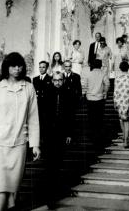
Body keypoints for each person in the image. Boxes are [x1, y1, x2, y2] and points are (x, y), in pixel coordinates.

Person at [0, 52, 40, 211]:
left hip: (18, 146)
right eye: (13, 66)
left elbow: (33, 119)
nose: (17, 69)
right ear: (7, 68)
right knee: (0, 195)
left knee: (12, 195)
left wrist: (35, 144)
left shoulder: (29, 88)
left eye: (20, 65)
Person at [45, 72, 73, 208]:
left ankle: (55, 195)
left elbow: (70, 115)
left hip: (62, 133)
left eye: (60, 80)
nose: (57, 83)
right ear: (52, 81)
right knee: (49, 165)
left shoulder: (68, 94)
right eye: (55, 80)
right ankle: (50, 197)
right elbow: (42, 114)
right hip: (49, 134)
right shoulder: (47, 94)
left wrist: (69, 134)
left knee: (58, 164)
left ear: (63, 81)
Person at [83, 59, 109, 151]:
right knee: (99, 119)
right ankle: (99, 138)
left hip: (90, 99)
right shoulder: (102, 74)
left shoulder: (88, 74)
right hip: (99, 99)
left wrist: (85, 94)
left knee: (91, 119)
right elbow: (107, 84)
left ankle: (92, 137)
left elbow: (84, 86)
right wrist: (105, 92)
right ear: (100, 65)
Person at [114, 61, 129, 148]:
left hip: (119, 101)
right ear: (128, 68)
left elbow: (115, 90)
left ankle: (124, 136)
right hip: (127, 101)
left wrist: (114, 101)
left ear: (120, 68)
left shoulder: (117, 78)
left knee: (121, 120)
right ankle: (126, 140)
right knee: (127, 120)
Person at [33, 61, 52, 147]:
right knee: (38, 126)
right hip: (37, 107)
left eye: (43, 67)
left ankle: (45, 145)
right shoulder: (35, 79)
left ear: (47, 68)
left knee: (45, 127)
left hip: (46, 107)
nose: (41, 69)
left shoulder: (50, 79)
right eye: (40, 67)